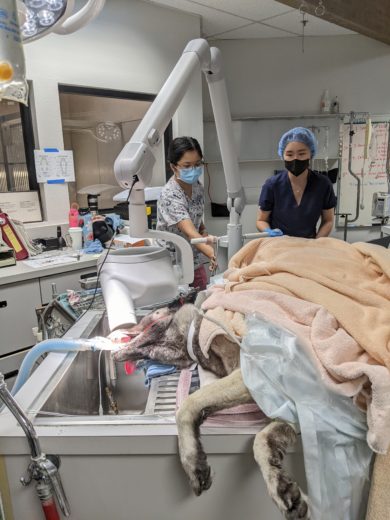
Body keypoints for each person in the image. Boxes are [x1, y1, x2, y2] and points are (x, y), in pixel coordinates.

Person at [157, 136, 216, 291]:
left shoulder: (196, 186)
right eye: (187, 166)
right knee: (180, 305)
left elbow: (195, 218)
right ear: (174, 167)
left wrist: (203, 231)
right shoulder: (170, 194)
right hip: (172, 262)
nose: (194, 170)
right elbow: (190, 232)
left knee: (200, 294)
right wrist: (213, 254)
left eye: (197, 164)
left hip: (193, 255)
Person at [256, 127, 337, 238]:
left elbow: (328, 220)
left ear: (311, 154)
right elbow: (261, 220)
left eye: (302, 153)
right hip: (279, 244)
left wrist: (317, 242)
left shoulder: (323, 184)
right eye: (289, 154)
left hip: (309, 244)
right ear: (282, 156)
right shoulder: (272, 185)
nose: (295, 159)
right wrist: (269, 232)